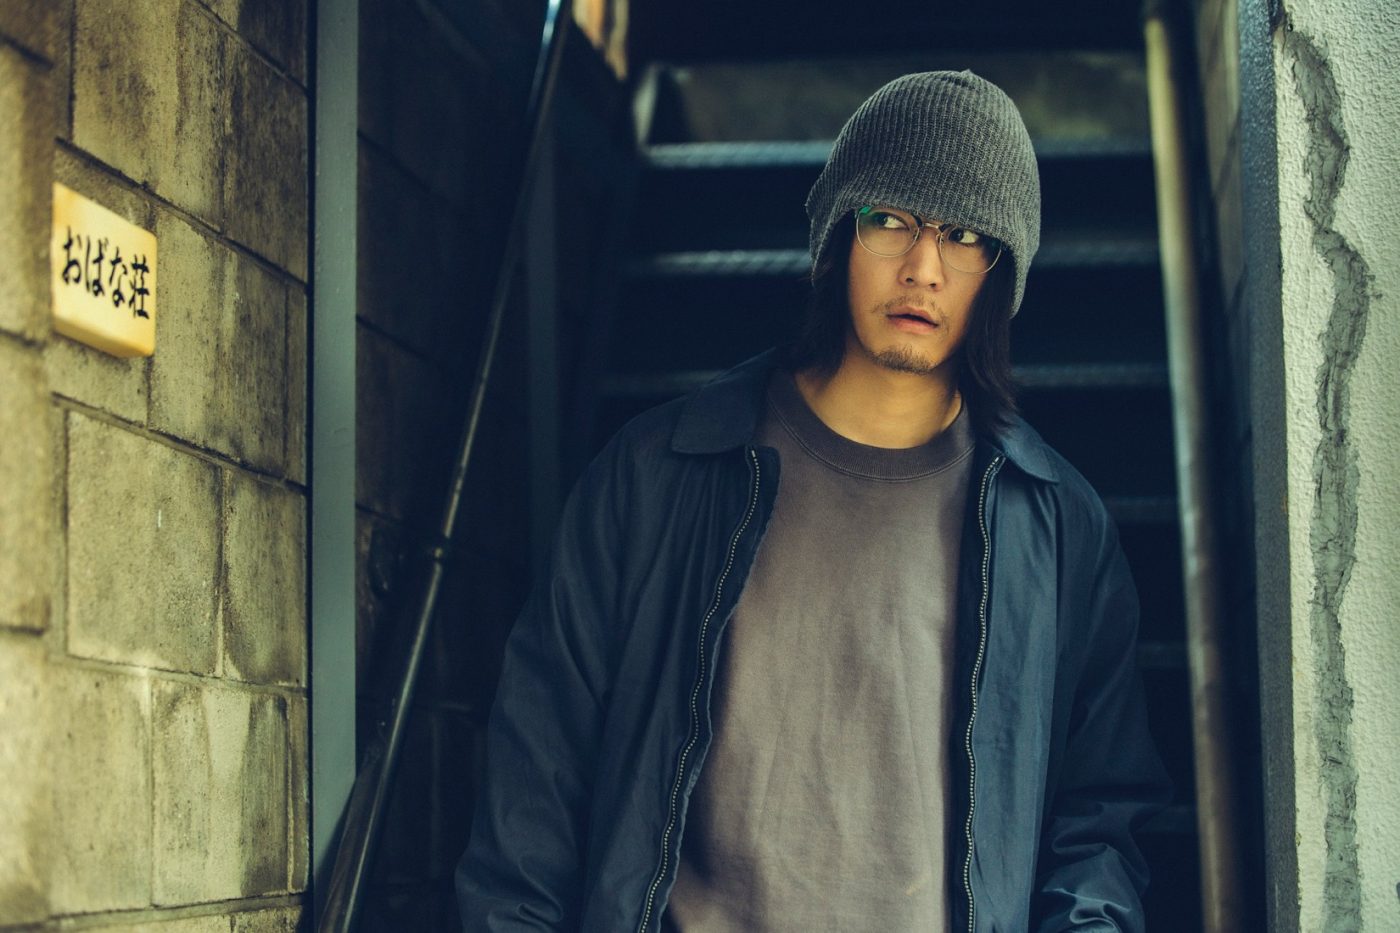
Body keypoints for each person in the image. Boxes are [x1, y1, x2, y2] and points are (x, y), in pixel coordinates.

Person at [457, 70, 1170, 932]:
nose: (923, 268)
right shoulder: (655, 476)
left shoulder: (1055, 527)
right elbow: (534, 791)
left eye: (964, 235)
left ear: (1001, 270)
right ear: (838, 235)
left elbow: (1099, 819)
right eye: (890, 220)